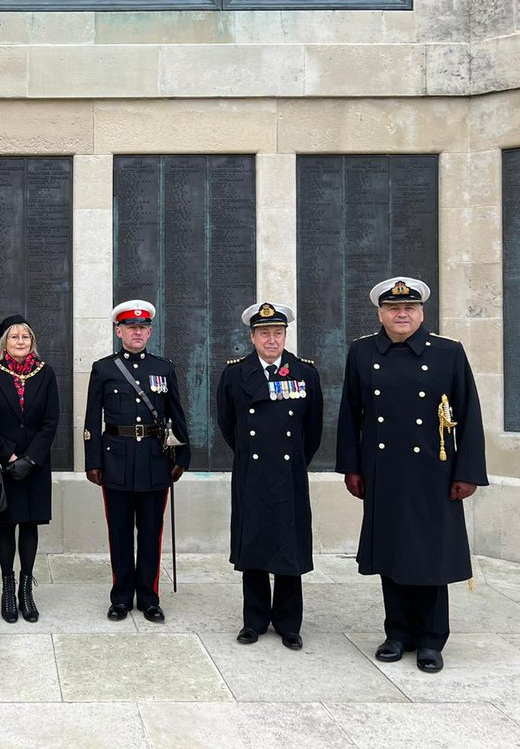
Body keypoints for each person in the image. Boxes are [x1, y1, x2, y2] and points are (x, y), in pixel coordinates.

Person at [336, 277, 487, 674]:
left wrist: (467, 471)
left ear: (421, 312)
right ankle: (397, 633)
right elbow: (351, 415)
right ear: (380, 313)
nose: (402, 314)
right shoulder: (362, 352)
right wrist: (351, 467)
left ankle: (431, 640)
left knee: (430, 554)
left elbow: (469, 414)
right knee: (392, 551)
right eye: (393, 308)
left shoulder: (448, 353)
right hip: (384, 470)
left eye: (410, 308)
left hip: (434, 471)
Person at [216, 301, 323, 650]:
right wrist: (250, 456)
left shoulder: (305, 373)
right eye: (264, 333)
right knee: (255, 544)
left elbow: (314, 429)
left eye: (278, 333)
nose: (272, 340)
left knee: (289, 545)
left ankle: (289, 623)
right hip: (253, 472)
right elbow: (227, 424)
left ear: (285, 335)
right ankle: (255, 620)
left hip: (290, 472)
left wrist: (293, 461)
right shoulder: (235, 373)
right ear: (252, 336)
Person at [84, 300, 190, 623]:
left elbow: (177, 414)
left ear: (150, 332)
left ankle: (148, 596)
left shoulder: (164, 368)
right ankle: (121, 597)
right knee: (119, 532)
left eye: (143, 327)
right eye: (131, 327)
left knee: (150, 532)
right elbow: (91, 419)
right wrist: (93, 460)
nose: (138, 332)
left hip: (155, 462)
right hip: (115, 460)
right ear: (119, 331)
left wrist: (182, 456)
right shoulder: (104, 369)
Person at [0, 314, 60, 623]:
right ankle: (8, 588)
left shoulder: (45, 373)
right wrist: (11, 457)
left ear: (32, 341)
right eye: (14, 337)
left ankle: (27, 587)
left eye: (26, 336)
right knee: (7, 525)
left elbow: (51, 421)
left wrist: (31, 459)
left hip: (36, 465)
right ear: (4, 343)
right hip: (4, 465)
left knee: (30, 524)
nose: (21, 341)